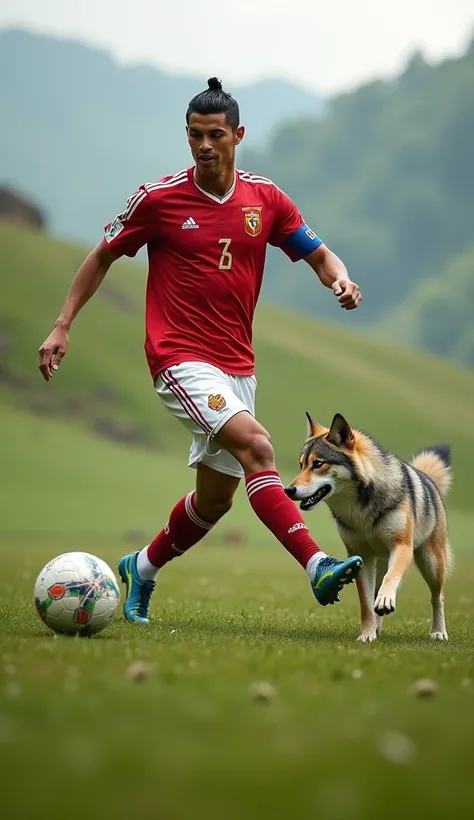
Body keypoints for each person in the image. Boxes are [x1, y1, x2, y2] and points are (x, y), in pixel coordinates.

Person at [38, 77, 364, 624]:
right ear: (186, 136)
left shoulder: (266, 199)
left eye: (215, 135)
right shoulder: (159, 199)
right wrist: (62, 324)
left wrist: (341, 281)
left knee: (214, 501)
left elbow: (321, 254)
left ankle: (139, 567)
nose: (204, 145)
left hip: (238, 367)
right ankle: (317, 566)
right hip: (179, 360)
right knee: (260, 449)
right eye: (195, 135)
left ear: (237, 135)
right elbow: (100, 257)